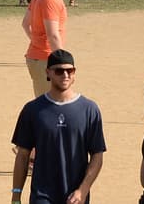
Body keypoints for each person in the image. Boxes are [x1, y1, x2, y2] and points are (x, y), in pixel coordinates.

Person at [10, 49, 105, 204]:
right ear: (48, 73)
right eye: (59, 71)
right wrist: (16, 195)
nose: (65, 75)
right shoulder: (33, 110)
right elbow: (22, 155)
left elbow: (97, 155)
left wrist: (83, 190)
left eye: (70, 70)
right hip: (42, 196)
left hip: (75, 197)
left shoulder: (89, 110)